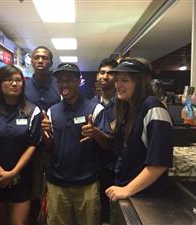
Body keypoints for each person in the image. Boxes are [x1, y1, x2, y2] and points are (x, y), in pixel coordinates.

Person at [104, 57, 173, 224]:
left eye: (125, 80)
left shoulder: (153, 108)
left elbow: (159, 163)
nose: (118, 85)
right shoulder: (127, 108)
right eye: (117, 80)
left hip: (146, 196)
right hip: (129, 193)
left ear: (140, 83)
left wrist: (127, 189)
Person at [41, 63, 110, 225]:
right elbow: (50, 146)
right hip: (57, 184)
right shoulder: (52, 111)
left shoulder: (96, 109)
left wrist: (96, 133)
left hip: (87, 185)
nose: (64, 84)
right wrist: (44, 133)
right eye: (60, 80)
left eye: (69, 80)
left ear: (79, 81)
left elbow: (109, 145)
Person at [0, 65, 41, 225]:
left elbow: (33, 145)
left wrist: (13, 173)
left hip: (22, 178)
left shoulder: (32, 111)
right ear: (0, 83)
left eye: (18, 80)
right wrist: (0, 172)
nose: (14, 83)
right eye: (9, 79)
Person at [24, 46, 61, 224]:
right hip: (29, 150)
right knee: (32, 193)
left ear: (51, 63)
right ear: (31, 61)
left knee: (53, 193)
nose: (40, 60)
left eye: (45, 58)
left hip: (56, 148)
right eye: (37, 57)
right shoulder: (23, 86)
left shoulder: (59, 85)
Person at [93, 57, 118, 224]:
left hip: (115, 167)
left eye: (110, 73)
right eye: (102, 72)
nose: (105, 76)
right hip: (95, 166)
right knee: (98, 209)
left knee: (113, 210)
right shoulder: (92, 104)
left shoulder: (124, 103)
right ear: (97, 75)